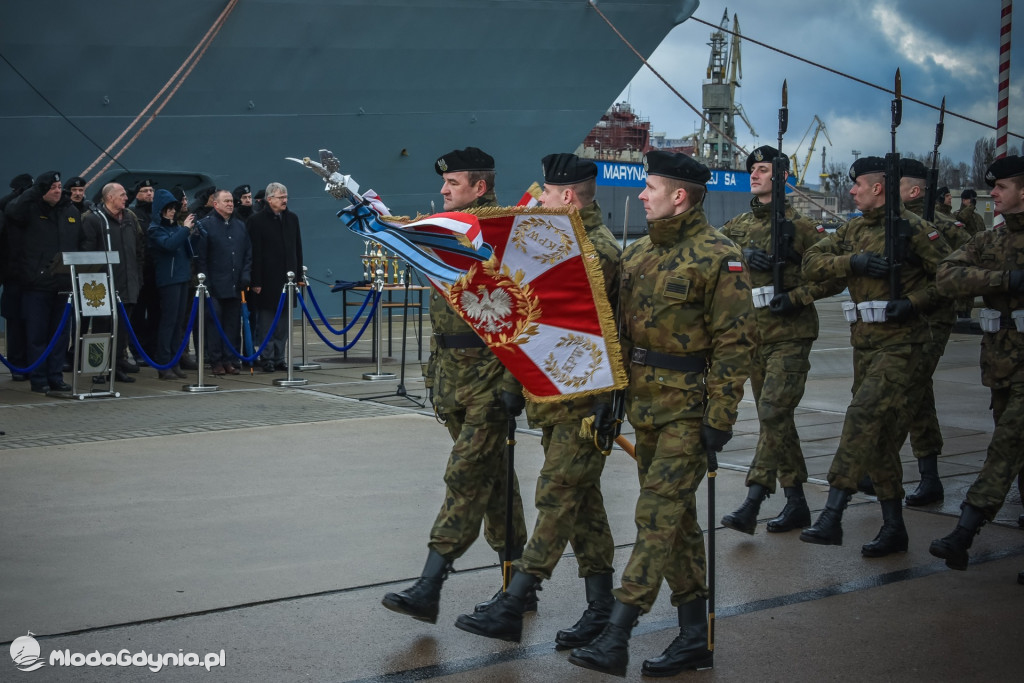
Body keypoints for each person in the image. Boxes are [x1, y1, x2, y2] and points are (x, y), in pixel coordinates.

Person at [568, 151, 753, 677]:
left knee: (654, 518)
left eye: (650, 187)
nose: (641, 195)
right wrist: (610, 397)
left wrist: (721, 416)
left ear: (679, 196)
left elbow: (736, 345)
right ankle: (696, 635)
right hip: (645, 407)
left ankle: (618, 634)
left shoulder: (720, 256)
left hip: (689, 412)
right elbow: (622, 335)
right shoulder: (639, 254)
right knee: (678, 523)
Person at [453, 153, 619, 645]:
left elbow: (607, 338)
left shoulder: (597, 251)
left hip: (585, 405)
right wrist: (513, 385)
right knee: (583, 507)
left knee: (556, 498)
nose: (539, 200)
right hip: (551, 401)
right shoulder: (559, 243)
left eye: (545, 194)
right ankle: (601, 606)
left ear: (567, 197)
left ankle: (515, 601)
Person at [381, 147, 530, 626]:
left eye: (453, 184)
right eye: (444, 184)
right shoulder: (445, 234)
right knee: (496, 485)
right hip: (452, 383)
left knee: (465, 478)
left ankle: (430, 584)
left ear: (479, 188)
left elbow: (527, 320)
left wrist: (513, 383)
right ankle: (518, 585)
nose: (443, 191)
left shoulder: (503, 237)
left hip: (489, 384)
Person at [798, 156, 950, 556]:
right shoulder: (852, 230)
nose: (851, 191)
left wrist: (914, 302)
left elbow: (951, 281)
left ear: (878, 187)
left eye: (858, 185)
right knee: (879, 439)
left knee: (863, 415)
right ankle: (893, 527)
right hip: (864, 344)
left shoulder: (916, 230)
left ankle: (832, 512)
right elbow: (811, 263)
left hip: (904, 343)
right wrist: (854, 261)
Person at [718, 146, 842, 535]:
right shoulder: (737, 225)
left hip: (790, 332)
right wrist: (742, 252)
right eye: (752, 169)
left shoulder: (803, 227)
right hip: (754, 333)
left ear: (782, 177)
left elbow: (833, 277)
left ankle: (754, 499)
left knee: (772, 411)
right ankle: (797, 504)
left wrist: (795, 297)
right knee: (778, 418)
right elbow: (710, 254)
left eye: (762, 170)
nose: (754, 175)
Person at [930, 156, 1024, 572]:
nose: (994, 195)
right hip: (1002, 364)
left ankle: (964, 532)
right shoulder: (992, 240)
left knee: (1006, 447)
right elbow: (947, 275)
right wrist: (1002, 281)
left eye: (1001, 187)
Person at [891, 159, 971, 506]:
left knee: (909, 390)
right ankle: (929, 477)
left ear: (914, 190)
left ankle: (875, 467)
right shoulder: (890, 223)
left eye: (895, 185)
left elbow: (963, 272)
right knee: (917, 394)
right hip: (899, 320)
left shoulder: (946, 228)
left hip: (933, 319)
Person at [3, 171, 81, 393]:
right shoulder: (29, 210)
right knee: (37, 336)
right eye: (51, 187)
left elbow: (80, 242)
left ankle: (55, 376)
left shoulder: (70, 211)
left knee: (59, 336)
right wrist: (35, 190)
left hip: (64, 284)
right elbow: (11, 211)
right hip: (36, 285)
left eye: (58, 186)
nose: (57, 190)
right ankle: (39, 379)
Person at [80, 183, 145, 383]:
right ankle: (97, 368)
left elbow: (139, 250)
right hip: (103, 286)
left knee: (122, 331)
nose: (126, 198)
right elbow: (88, 255)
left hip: (128, 283)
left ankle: (116, 367)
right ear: (109, 197)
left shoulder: (130, 219)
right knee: (101, 328)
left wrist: (137, 277)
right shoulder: (93, 220)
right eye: (122, 194)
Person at [246, 182, 303, 372]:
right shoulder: (256, 221)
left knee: (283, 324)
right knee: (267, 322)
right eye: (281, 198)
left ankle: (280, 357)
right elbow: (254, 253)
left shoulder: (292, 219)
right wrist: (256, 281)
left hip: (288, 280)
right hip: (267, 281)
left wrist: (299, 277)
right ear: (270, 199)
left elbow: (297, 249)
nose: (285, 201)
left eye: (286, 197)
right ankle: (267, 357)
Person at [195, 190, 251, 375]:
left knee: (232, 325)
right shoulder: (205, 226)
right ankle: (216, 360)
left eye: (231, 201)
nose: (230, 204)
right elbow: (201, 258)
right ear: (215, 204)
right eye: (225, 201)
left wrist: (245, 275)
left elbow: (247, 254)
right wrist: (206, 283)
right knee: (214, 324)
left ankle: (230, 359)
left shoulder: (240, 226)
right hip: (215, 286)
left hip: (235, 285)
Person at [148, 189, 197, 379]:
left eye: (173, 208)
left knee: (178, 323)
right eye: (168, 209)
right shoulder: (155, 229)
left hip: (182, 277)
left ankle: (175, 361)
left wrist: (187, 231)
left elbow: (186, 249)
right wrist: (185, 229)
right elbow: (168, 245)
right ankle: (164, 362)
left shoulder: (176, 227)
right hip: (168, 279)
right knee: (168, 322)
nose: (171, 212)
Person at [0, 173, 34, 381]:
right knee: (15, 324)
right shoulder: (8, 213)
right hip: (14, 277)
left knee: (27, 324)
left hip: (25, 276)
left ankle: (24, 364)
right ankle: (17, 364)